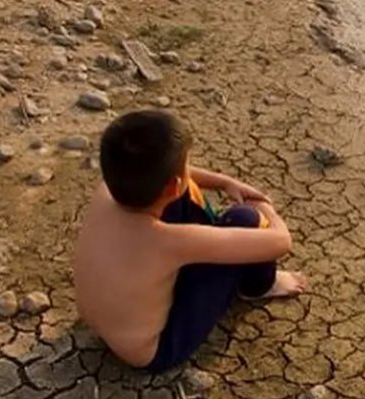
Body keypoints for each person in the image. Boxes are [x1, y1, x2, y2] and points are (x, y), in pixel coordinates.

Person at [74, 110, 306, 372]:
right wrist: (266, 209)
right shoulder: (169, 242)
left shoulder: (107, 190)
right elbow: (280, 241)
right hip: (155, 350)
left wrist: (224, 182)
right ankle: (259, 286)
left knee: (181, 194)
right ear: (173, 184)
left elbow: (174, 177)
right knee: (245, 218)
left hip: (102, 324)